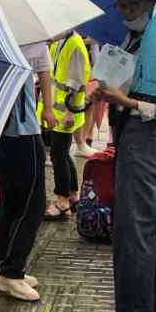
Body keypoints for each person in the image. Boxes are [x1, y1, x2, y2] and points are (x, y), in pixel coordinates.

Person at [97, 0, 156, 312]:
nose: (127, 12)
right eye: (122, 6)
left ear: (152, 2)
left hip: (147, 139)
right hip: (146, 142)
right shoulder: (137, 40)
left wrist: (127, 103)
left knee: (135, 229)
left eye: (134, 4)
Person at [0, 41, 55, 301]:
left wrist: (48, 108)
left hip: (1, 133)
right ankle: (11, 272)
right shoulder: (30, 38)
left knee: (10, 201)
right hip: (22, 132)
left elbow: (45, 74)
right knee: (31, 204)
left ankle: (6, 268)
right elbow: (45, 74)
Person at [42, 31, 91, 220]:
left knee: (57, 154)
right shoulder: (59, 42)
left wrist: (70, 112)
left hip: (67, 112)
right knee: (61, 153)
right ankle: (72, 194)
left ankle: (62, 201)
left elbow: (78, 83)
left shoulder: (75, 44)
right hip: (59, 110)